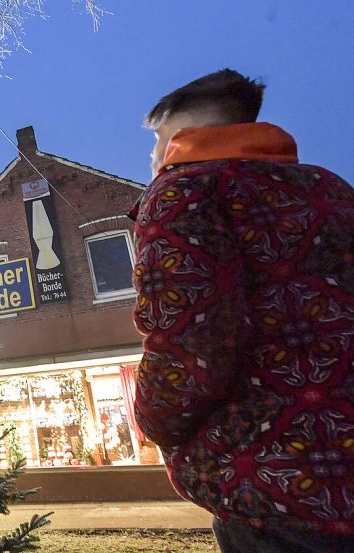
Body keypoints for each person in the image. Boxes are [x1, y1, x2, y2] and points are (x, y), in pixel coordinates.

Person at [130, 69, 354, 552]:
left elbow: (190, 339)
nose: (152, 160)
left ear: (174, 135)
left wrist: (152, 423)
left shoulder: (183, 191)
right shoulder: (330, 190)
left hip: (274, 491)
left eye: (153, 146)